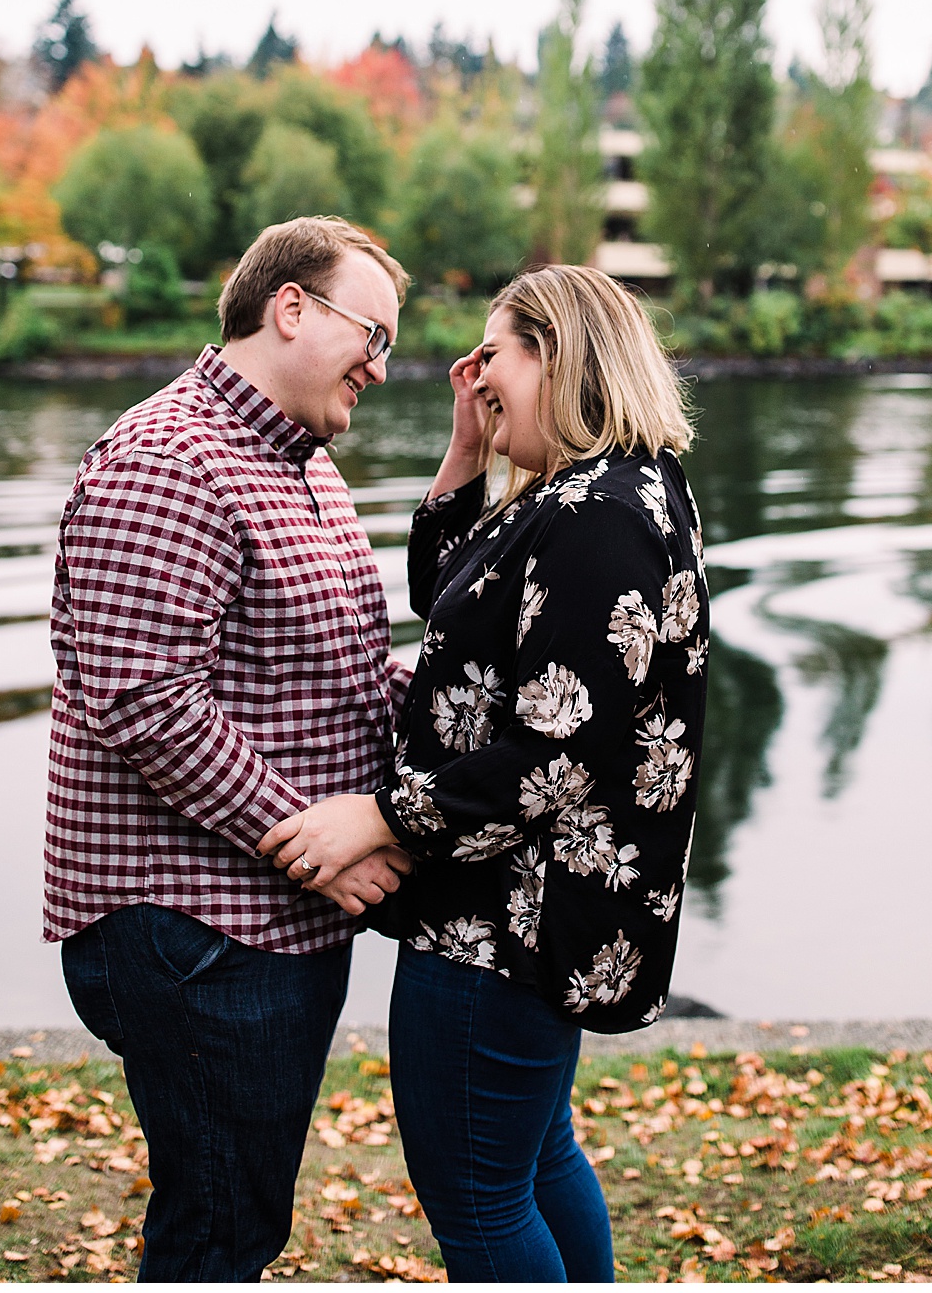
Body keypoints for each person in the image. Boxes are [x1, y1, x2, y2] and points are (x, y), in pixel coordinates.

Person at [261, 264, 709, 1283]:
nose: (474, 372)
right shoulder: (598, 489)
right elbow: (450, 596)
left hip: (505, 925)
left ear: (557, 354)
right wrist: (468, 444)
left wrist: (376, 818)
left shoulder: (600, 511)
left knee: (479, 1200)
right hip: (526, 918)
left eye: (493, 352)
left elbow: (559, 757)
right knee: (533, 1159)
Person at [45, 215, 416, 1283]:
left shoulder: (301, 463)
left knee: (241, 1213)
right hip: (195, 924)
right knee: (217, 1231)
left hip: (266, 916)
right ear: (291, 307)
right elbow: (151, 702)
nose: (382, 367)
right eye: (373, 334)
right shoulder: (169, 458)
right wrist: (320, 843)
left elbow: (339, 672)